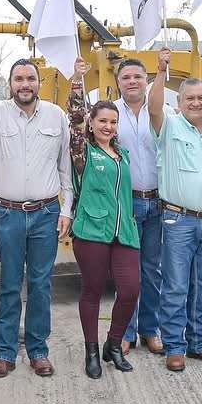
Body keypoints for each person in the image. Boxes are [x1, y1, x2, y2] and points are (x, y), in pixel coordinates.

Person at [0, 55, 73, 379]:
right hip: (8, 214)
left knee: (40, 285)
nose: (25, 84)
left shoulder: (56, 115)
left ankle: (38, 351)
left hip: (46, 213)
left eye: (30, 79)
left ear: (39, 82)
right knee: (10, 284)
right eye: (19, 79)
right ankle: (5, 353)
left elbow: (65, 167)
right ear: (10, 84)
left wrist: (66, 209)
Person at [148, 48, 202, 373]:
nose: (196, 103)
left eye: (201, 98)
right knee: (176, 286)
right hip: (179, 220)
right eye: (190, 98)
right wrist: (160, 71)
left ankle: (200, 343)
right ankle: (174, 346)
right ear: (180, 101)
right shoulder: (168, 126)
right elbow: (154, 107)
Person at [67, 59, 139, 378]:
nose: (108, 127)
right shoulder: (83, 152)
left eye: (113, 122)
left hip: (124, 232)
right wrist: (76, 82)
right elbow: (75, 118)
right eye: (102, 121)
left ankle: (113, 343)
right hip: (92, 232)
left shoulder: (122, 154)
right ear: (92, 123)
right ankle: (92, 351)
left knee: (131, 290)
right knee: (92, 291)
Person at [112, 57, 164, 356]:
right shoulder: (110, 114)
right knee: (127, 272)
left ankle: (150, 329)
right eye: (126, 77)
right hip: (126, 202)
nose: (132, 81)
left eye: (138, 76)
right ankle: (125, 331)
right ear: (118, 82)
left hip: (157, 201)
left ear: (147, 80)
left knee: (152, 270)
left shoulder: (161, 112)